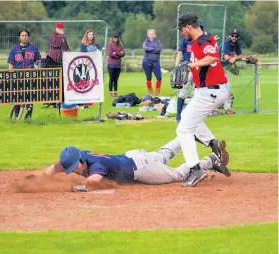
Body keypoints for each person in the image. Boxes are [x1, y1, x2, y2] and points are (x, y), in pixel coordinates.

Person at [42, 136, 230, 192]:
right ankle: (188, 133)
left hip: (142, 170)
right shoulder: (79, 154)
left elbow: (93, 181)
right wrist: (42, 179)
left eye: (74, 166)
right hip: (134, 157)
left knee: (178, 175)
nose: (74, 170)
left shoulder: (95, 165)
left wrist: (75, 188)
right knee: (162, 155)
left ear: (81, 161)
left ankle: (210, 160)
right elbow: (57, 166)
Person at [176, 12, 229, 187]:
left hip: (210, 91)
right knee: (187, 117)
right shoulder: (205, 39)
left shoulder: (202, 41)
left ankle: (195, 168)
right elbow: (211, 49)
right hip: (209, 90)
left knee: (183, 129)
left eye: (182, 29)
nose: (182, 32)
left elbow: (213, 55)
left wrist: (194, 64)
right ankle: (213, 144)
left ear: (189, 27)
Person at [175, 20, 204, 124]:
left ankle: (194, 117)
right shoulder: (185, 39)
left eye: (200, 27)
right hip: (186, 67)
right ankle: (178, 116)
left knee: (196, 93)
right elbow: (180, 53)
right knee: (182, 92)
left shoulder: (203, 41)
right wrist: (176, 66)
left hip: (198, 67)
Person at [7, 30, 41, 120]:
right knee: (18, 96)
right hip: (18, 76)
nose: (24, 37)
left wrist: (38, 69)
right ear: (19, 37)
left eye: (26, 35)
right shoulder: (14, 50)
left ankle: (28, 117)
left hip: (30, 76)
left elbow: (38, 62)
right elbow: (10, 64)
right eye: (22, 35)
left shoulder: (34, 48)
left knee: (30, 96)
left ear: (28, 37)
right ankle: (16, 116)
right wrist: (11, 76)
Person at [222, 28, 243, 115]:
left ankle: (227, 109)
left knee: (227, 87)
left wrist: (234, 58)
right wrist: (233, 58)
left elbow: (241, 56)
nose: (234, 37)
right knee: (220, 88)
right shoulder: (226, 43)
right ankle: (215, 109)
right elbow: (226, 58)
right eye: (233, 35)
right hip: (216, 67)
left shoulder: (236, 44)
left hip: (223, 68)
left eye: (236, 36)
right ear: (229, 36)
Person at [142, 29, 162, 96]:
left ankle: (157, 93)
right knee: (148, 78)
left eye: (152, 34)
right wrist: (154, 49)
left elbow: (159, 49)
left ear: (154, 34)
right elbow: (145, 48)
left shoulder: (158, 42)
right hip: (146, 62)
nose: (151, 35)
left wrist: (150, 50)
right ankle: (150, 93)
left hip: (156, 63)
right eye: (150, 34)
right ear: (148, 35)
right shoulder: (146, 42)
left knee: (159, 78)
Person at [107, 33, 125, 97]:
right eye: (114, 37)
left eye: (116, 38)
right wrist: (119, 54)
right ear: (112, 38)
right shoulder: (110, 45)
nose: (115, 39)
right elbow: (110, 54)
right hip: (111, 65)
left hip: (118, 65)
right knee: (111, 79)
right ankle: (110, 92)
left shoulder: (120, 45)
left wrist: (116, 53)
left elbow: (123, 54)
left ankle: (115, 92)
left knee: (116, 80)